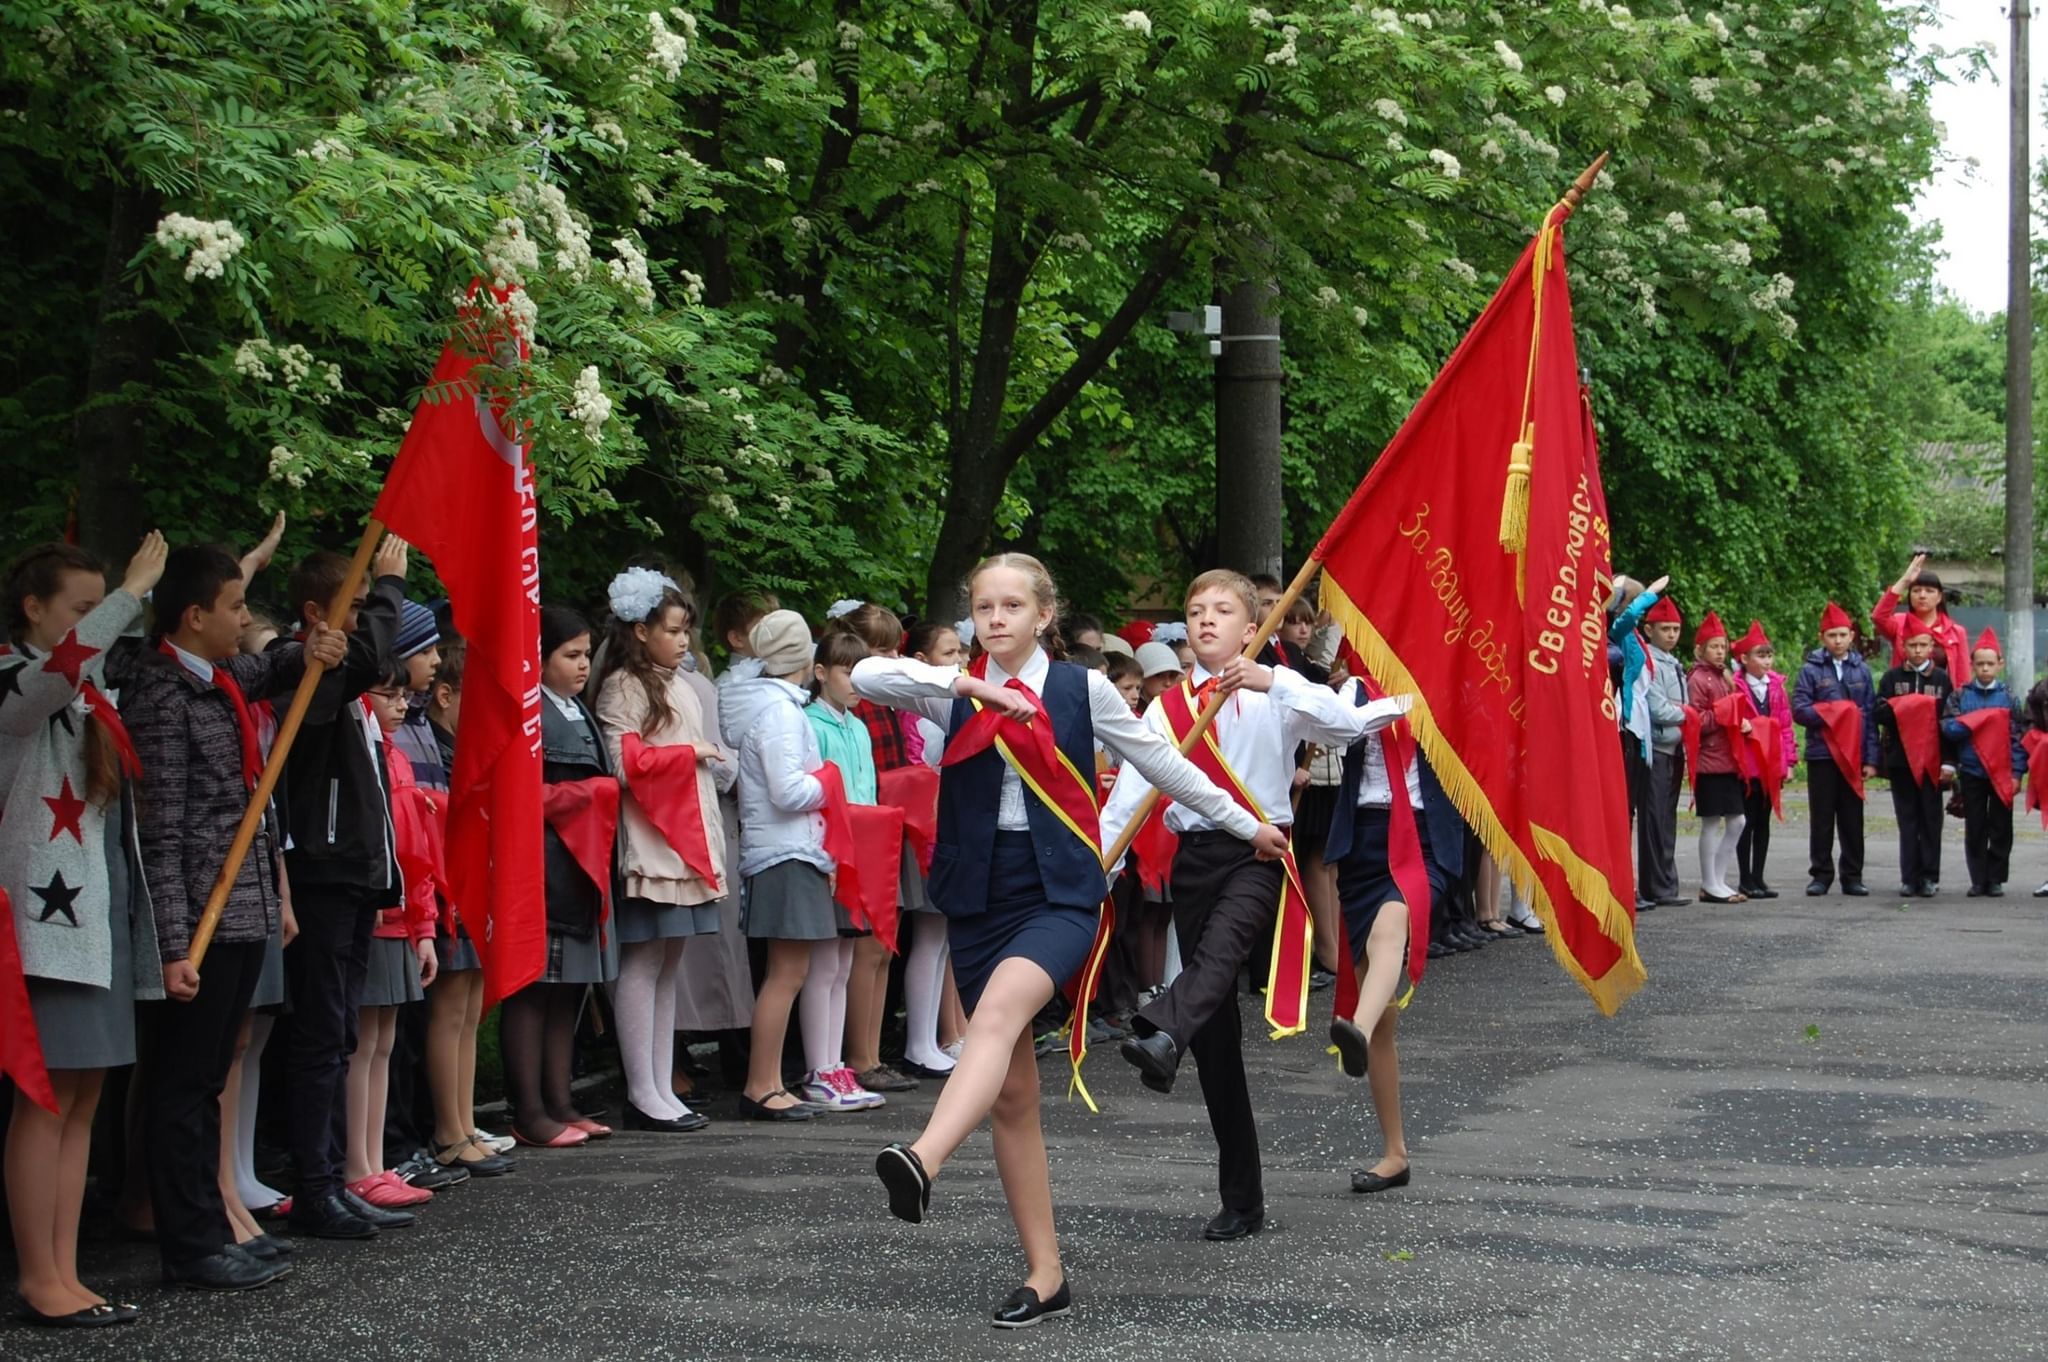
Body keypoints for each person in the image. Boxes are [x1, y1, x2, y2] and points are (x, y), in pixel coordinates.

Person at [851, 552, 1288, 1328]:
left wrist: (1245, 823)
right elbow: (868, 680)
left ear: (1044, 616)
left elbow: (1160, 765)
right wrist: (964, 684)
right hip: (978, 897)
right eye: (984, 607)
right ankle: (1046, 1274)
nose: (996, 619)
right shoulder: (953, 692)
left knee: (993, 1019)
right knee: (1014, 1096)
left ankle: (922, 1158)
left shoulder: (1081, 687)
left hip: (1057, 896)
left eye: (1012, 606)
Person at [1099, 569, 1404, 1241]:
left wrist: (1278, 680)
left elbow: (1346, 726)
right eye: (1196, 608)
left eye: (1223, 610)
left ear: (1248, 626)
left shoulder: (1276, 693)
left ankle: (1161, 1025)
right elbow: (1130, 794)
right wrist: (1102, 863)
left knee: (1219, 956)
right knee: (1216, 1042)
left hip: (1261, 855)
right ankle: (1243, 1196)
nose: (1207, 618)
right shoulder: (1167, 708)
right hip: (1196, 860)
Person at [125, 542, 351, 1288]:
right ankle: (189, 1241)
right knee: (183, 1085)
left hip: (243, 904)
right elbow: (161, 831)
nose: (244, 617)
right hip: (199, 918)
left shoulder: (214, 679)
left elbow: (272, 666)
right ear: (194, 617)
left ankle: (211, 1222)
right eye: (232, 606)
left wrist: (306, 645)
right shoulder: (162, 694)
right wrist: (170, 943)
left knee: (210, 1080)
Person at [3, 535, 166, 1323]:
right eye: (80, 607)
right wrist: (130, 594)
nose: (97, 623)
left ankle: (65, 1272)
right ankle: (40, 1276)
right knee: (45, 1101)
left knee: (82, 1102)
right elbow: (53, 676)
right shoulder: (18, 682)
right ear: (32, 610)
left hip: (94, 924)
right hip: (43, 926)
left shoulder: (91, 689)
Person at [273, 535, 412, 1241]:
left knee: (340, 1032)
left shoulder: (346, 678)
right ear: (314, 613)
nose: (365, 618)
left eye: (367, 604)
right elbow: (366, 658)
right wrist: (388, 587)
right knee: (320, 1033)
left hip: (353, 873)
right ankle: (314, 1182)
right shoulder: (305, 667)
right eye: (353, 606)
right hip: (321, 871)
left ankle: (332, 1177)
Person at [594, 567, 732, 1133]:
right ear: (640, 630)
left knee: (669, 963)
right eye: (673, 630)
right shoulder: (624, 686)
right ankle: (641, 1089)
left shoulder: (675, 682)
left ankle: (660, 1085)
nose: (682, 640)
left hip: (685, 840)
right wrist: (692, 753)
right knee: (645, 961)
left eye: (684, 631)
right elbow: (624, 765)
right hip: (652, 844)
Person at [1322, 682, 1461, 1199]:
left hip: (1425, 837)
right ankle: (1395, 1153)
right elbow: (1333, 730)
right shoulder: (1352, 689)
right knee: (1384, 1020)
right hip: (1362, 840)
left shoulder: (1447, 680)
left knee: (1391, 928)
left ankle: (1352, 1027)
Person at [507, 607, 621, 1147]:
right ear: (538, 657)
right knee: (535, 992)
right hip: (548, 869)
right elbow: (521, 797)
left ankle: (560, 1099)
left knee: (570, 991)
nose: (582, 666)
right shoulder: (531, 715)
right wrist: (589, 797)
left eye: (584, 655)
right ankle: (529, 1109)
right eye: (570, 655)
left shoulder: (576, 708)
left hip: (582, 868)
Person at [719, 609, 833, 1123]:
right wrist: (829, 780)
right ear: (803, 657)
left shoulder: (772, 706)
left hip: (784, 849)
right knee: (786, 974)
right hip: (785, 851)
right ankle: (761, 1084)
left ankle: (768, 1081)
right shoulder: (782, 713)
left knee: (789, 972)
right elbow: (789, 791)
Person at [346, 661, 443, 1210]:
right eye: (389, 695)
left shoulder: (398, 757)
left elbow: (419, 852)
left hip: (403, 915)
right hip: (378, 913)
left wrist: (424, 925)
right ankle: (357, 1164)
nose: (402, 705)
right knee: (362, 1042)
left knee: (382, 1041)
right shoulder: (369, 758)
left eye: (405, 695)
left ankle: (375, 1159)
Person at [836, 603, 921, 1096]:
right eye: (881, 649)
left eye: (895, 648)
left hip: (889, 828)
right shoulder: (857, 704)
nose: (892, 656)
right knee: (866, 949)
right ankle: (860, 1055)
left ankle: (871, 1050)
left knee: (884, 948)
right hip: (865, 830)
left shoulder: (885, 701)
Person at [1791, 603, 1880, 897]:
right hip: (1822, 753)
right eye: (1832, 635)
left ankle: (1852, 875)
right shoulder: (1810, 670)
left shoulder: (1862, 670)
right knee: (1822, 817)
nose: (1838, 640)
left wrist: (1870, 758)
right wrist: (1836, 713)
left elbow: (1868, 716)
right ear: (1822, 637)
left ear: (1851, 635)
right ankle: (1821, 874)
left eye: (1842, 634)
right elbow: (1800, 711)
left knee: (1852, 817)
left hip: (1853, 754)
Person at [1942, 628, 2028, 898]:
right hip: (1972, 770)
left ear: (2000, 664)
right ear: (1972, 664)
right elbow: (1948, 728)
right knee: (1975, 825)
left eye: (1990, 664)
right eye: (1980, 664)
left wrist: (2016, 773)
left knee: (2001, 826)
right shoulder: (1960, 696)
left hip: (2001, 772)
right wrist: (1977, 722)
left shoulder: (2010, 697)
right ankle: (1978, 878)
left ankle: (1996, 878)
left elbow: (2018, 738)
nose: (1985, 669)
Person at [1873, 617, 1955, 898]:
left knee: (1931, 820)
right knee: (1907, 819)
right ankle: (1909, 877)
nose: (1918, 650)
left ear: (1932, 646)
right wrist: (1908, 706)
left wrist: (1949, 762)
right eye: (1912, 645)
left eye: (1923, 645)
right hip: (1901, 760)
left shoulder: (1942, 679)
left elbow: (1949, 721)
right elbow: (1879, 712)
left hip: (1932, 761)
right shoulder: (1892, 678)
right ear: (1903, 646)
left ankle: (1930, 876)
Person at [1687, 612, 1749, 904]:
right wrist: (1723, 714)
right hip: (1709, 761)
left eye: (1723, 647)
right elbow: (1694, 720)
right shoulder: (1697, 678)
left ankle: (1720, 879)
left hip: (1728, 759)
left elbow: (1733, 712)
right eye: (1714, 647)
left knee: (1737, 821)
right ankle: (1709, 883)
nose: (1720, 652)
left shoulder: (1726, 677)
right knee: (1712, 822)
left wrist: (1743, 721)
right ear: (1700, 649)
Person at [1731, 621, 1796, 899]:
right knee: (1747, 820)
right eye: (1760, 655)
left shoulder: (1777, 688)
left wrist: (1789, 761)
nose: (1766, 661)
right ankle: (1745, 877)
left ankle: (1759, 875)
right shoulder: (1736, 686)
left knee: (1764, 821)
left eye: (1769, 655)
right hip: (1748, 764)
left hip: (1770, 762)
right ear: (1744, 659)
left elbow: (1785, 725)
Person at [1638, 596, 1689, 908]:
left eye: (1675, 629)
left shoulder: (1673, 662)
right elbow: (1658, 708)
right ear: (1649, 629)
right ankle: (1657, 885)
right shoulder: (1651, 661)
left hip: (1674, 746)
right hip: (1657, 746)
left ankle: (1667, 883)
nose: (1671, 634)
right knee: (1655, 818)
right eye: (1665, 628)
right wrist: (1691, 713)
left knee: (1668, 818)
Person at [1872, 554, 1971, 682]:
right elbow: (1878, 616)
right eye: (1916, 590)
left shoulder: (1956, 632)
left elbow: (1962, 678)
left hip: (1942, 699)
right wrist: (1905, 580)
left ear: (1939, 597)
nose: (1922, 595)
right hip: (1904, 697)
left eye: (1929, 591)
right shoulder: (1900, 623)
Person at [1135, 640, 1182, 705]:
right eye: (1158, 675)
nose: (1168, 683)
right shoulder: (1128, 713)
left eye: (1172, 676)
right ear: (1142, 679)